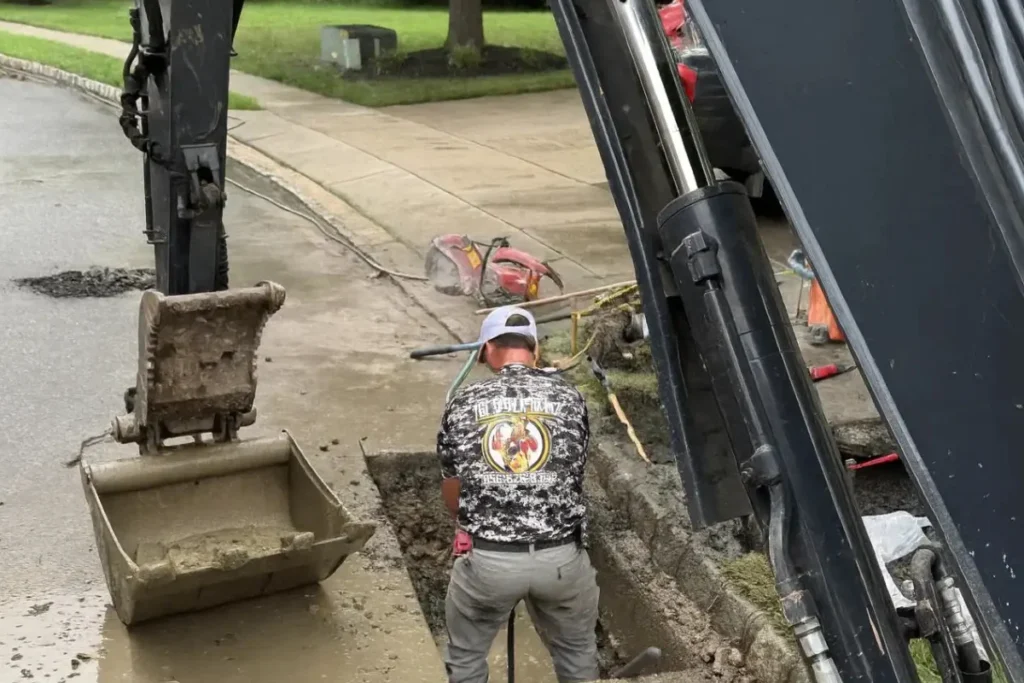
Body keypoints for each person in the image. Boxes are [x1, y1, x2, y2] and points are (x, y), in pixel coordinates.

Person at [436, 305, 600, 683]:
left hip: (489, 564)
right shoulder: (571, 398)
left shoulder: (462, 401)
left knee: (465, 658)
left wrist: (464, 526)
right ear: (534, 350)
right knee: (577, 654)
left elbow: (452, 485)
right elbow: (571, 472)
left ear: (488, 349)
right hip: (561, 560)